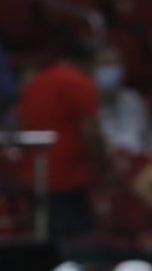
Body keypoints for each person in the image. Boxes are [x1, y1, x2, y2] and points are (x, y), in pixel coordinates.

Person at [17, 37, 106, 239]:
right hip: (68, 179)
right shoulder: (80, 83)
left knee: (43, 239)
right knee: (74, 244)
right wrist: (103, 166)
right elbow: (92, 134)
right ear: (85, 62)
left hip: (35, 176)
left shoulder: (35, 83)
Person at [94, 44, 152, 155]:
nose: (113, 69)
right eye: (106, 64)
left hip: (139, 162)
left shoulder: (133, 99)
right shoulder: (88, 103)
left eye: (116, 64)